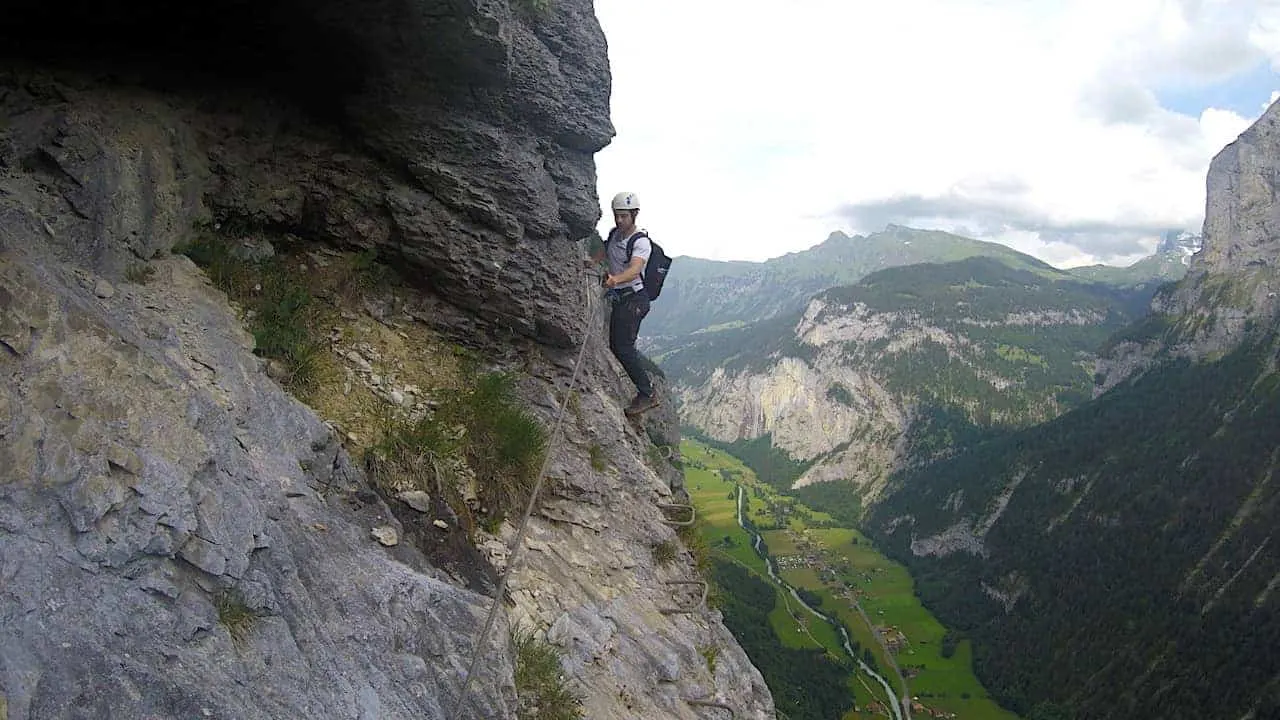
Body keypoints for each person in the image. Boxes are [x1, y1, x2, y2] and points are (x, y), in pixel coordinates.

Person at [598, 191, 659, 417]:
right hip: (623, 297)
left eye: (624, 216)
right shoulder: (615, 234)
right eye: (617, 216)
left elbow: (635, 269)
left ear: (634, 215)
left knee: (622, 346)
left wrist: (615, 280)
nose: (619, 220)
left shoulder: (640, 241)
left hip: (634, 299)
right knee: (618, 345)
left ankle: (648, 393)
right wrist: (591, 261)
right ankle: (644, 391)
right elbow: (604, 252)